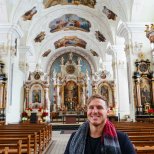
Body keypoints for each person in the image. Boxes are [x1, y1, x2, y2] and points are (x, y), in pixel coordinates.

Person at [64, 94, 136, 154]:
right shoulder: (74, 137)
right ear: (87, 111)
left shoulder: (122, 139)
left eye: (99, 107)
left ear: (107, 111)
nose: (95, 111)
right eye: (91, 107)